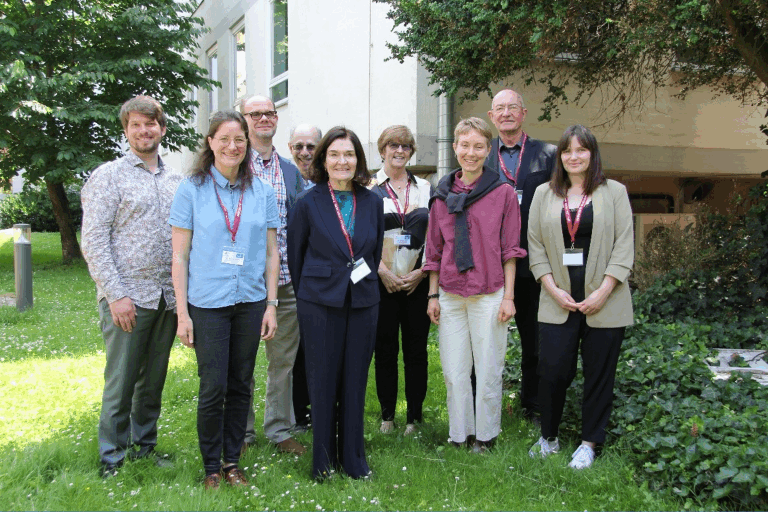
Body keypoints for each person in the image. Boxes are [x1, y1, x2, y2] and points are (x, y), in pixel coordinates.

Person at [170, 110, 279, 489]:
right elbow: (180, 256)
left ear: (247, 144)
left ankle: (232, 461)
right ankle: (210, 467)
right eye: (225, 139)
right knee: (213, 385)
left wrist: (271, 304)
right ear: (211, 143)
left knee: (241, 383)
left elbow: (270, 252)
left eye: (240, 139)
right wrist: (182, 313)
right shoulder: (192, 189)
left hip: (250, 302)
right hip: (208, 303)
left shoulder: (261, 190)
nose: (233, 146)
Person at [82, 95, 182, 477]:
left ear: (162, 129)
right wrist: (115, 294)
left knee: (152, 380)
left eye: (150, 124)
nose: (144, 131)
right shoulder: (108, 176)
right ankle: (112, 455)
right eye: (136, 125)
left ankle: (145, 446)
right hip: (127, 297)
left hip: (167, 298)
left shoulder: (176, 180)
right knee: (122, 381)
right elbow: (93, 240)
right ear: (126, 131)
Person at [527, 124, 634, 469]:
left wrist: (603, 292)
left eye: (581, 150)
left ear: (592, 154)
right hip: (557, 299)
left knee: (599, 374)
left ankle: (590, 443)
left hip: (606, 301)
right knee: (553, 370)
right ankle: (549, 437)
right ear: (560, 156)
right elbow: (535, 245)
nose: (574, 157)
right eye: (567, 150)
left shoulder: (614, 192)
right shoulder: (544, 193)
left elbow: (623, 247)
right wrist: (551, 287)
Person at [286, 126, 384, 479]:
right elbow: (295, 258)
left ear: (358, 160)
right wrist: (315, 293)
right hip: (319, 304)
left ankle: (354, 460)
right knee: (323, 380)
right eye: (335, 154)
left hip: (363, 301)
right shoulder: (306, 203)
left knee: (355, 379)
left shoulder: (373, 201)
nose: (342, 161)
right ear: (323, 160)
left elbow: (372, 253)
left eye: (349, 154)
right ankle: (323, 461)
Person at [424, 117, 526, 453]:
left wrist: (509, 297)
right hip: (451, 295)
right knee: (455, 372)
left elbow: (511, 250)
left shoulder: (503, 193)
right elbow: (435, 250)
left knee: (488, 369)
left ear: (488, 149)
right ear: (455, 148)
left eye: (478, 146)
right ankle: (459, 434)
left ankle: (485, 436)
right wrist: (433, 294)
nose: (471, 152)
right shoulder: (441, 195)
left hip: (489, 292)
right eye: (464, 145)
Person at [240, 95, 307, 455]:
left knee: (283, 362)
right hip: (245, 284)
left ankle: (280, 430)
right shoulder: (234, 166)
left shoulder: (289, 170)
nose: (264, 118)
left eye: (269, 112)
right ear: (245, 120)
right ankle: (244, 434)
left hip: (285, 282)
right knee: (243, 362)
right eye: (256, 113)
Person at [486, 88, 557, 425]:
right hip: (490, 263)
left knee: (535, 341)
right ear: (491, 117)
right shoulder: (480, 156)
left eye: (513, 107)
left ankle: (534, 407)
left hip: (534, 262)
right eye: (500, 108)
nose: (506, 113)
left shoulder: (548, 155)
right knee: (486, 341)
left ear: (524, 113)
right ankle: (485, 408)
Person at [369, 125, 432, 436]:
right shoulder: (368, 188)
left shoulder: (425, 188)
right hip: (383, 283)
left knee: (417, 351)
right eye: (392, 144)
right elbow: (361, 236)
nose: (399, 150)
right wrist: (382, 271)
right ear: (382, 150)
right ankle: (388, 416)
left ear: (411, 151)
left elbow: (436, 236)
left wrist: (422, 273)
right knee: (385, 350)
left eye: (406, 146)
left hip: (416, 284)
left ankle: (414, 418)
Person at [287, 123, 322, 432]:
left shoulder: (328, 181)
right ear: (290, 149)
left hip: (325, 277)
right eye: (299, 146)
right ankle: (298, 413)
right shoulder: (285, 179)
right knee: (296, 349)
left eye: (311, 146)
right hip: (291, 273)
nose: (305, 152)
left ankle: (322, 407)